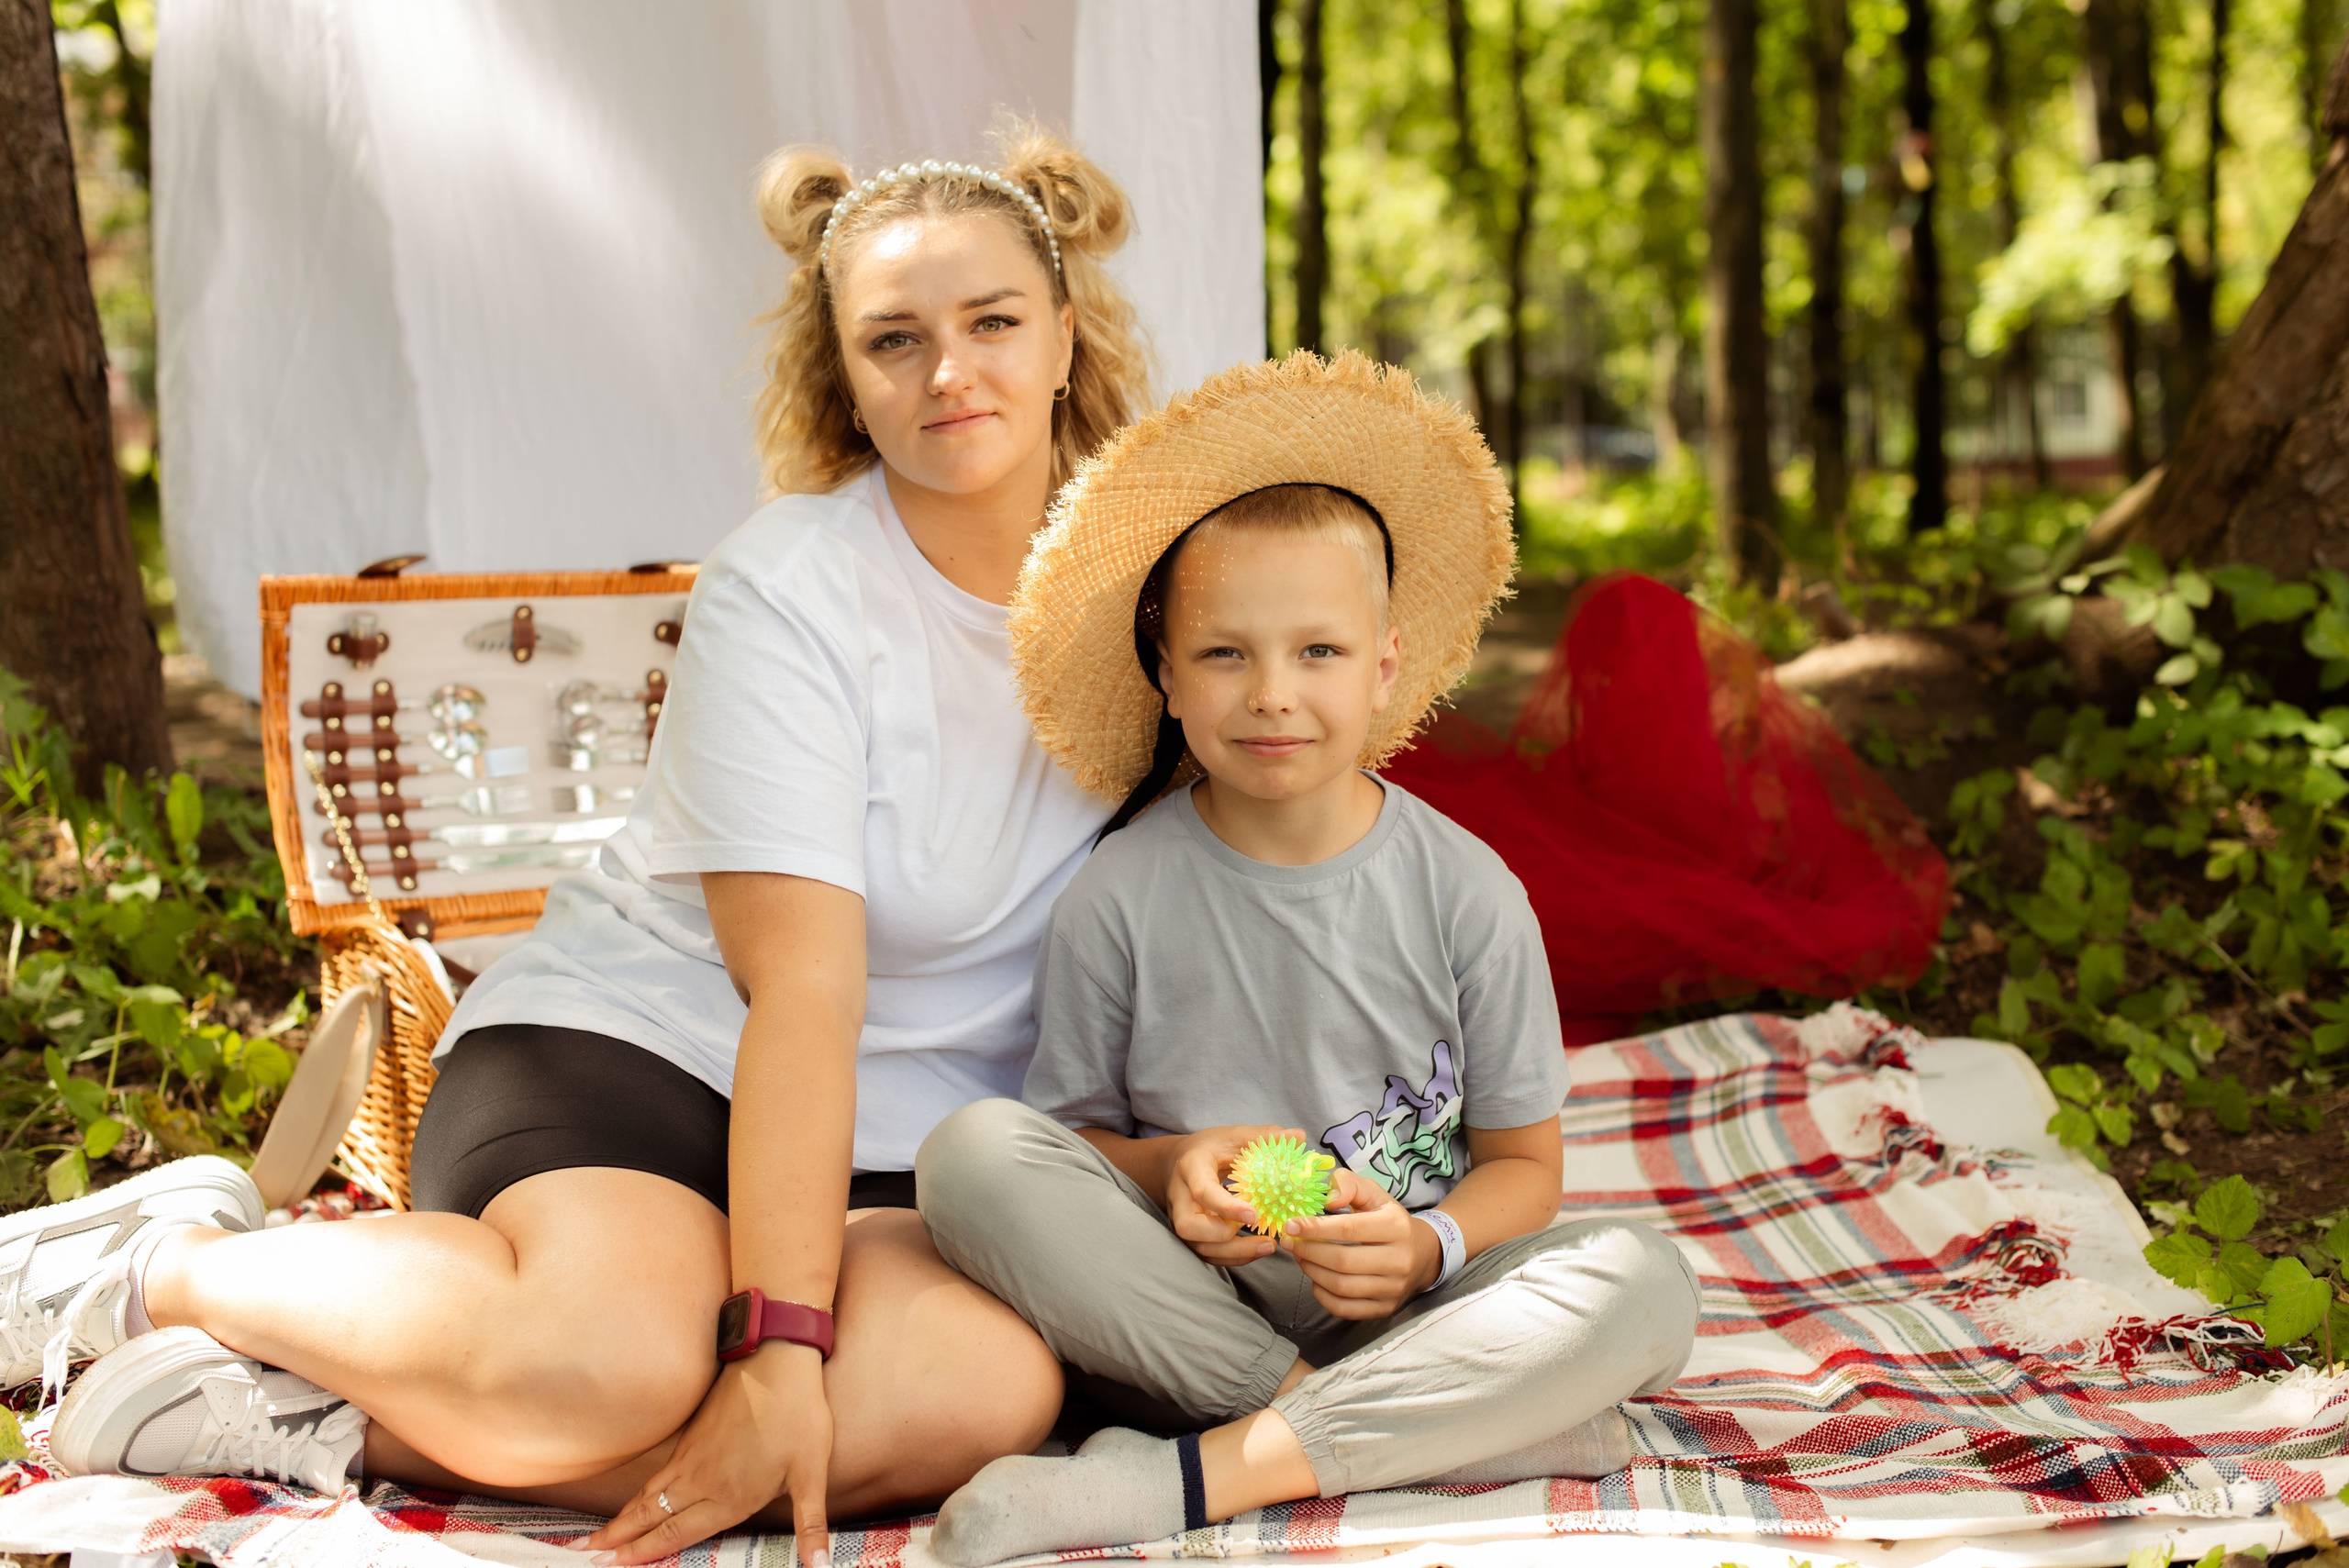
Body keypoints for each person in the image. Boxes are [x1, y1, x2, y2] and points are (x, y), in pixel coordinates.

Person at [9, 126, 1155, 1563]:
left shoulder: (1152, 594)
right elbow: (805, 994)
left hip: (907, 1139)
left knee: (984, 1388)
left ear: (1066, 336)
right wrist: (786, 1343)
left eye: (993, 322)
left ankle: (305, 1416)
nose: (949, 373)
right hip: (645, 1058)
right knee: (611, 1365)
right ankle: (170, 1270)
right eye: (893, 340)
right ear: (846, 379)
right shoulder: (791, 587)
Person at [911, 356, 1702, 1565]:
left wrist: (1428, 1244)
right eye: (1225, 654)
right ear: (1169, 677)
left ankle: (1191, 1474)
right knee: (966, 1156)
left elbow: (1526, 1167)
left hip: (1422, 1307)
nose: (1273, 694)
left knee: (1644, 1278)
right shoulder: (1121, 894)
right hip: (1200, 1317)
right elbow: (1071, 1155)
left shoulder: (1468, 890)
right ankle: (1425, 1426)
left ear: (1384, 665)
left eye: (1319, 652)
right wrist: (1176, 1160)